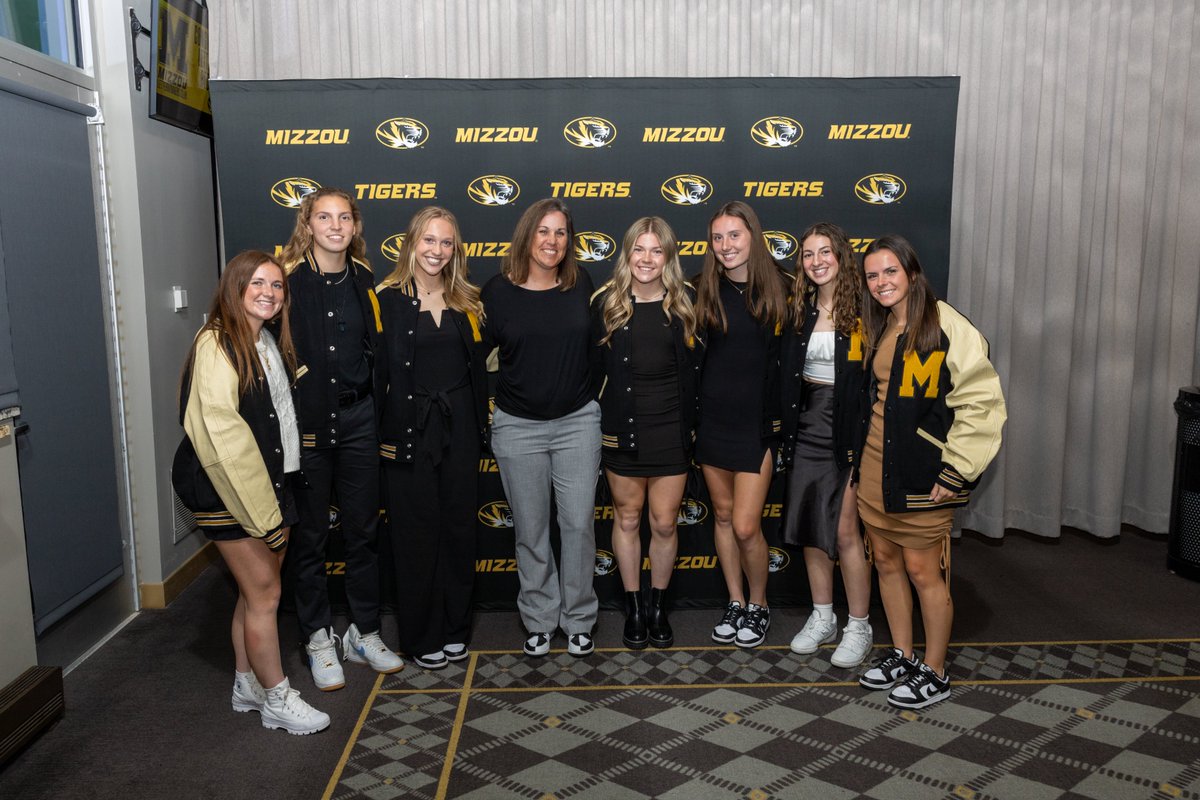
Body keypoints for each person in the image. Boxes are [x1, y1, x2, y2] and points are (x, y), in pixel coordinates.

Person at [173, 250, 329, 735]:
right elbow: (224, 437)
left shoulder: (263, 340)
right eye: (257, 283)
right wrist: (267, 517)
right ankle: (278, 698)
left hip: (269, 485)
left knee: (252, 591)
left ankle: (247, 683)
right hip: (228, 491)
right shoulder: (217, 343)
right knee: (266, 594)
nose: (268, 293)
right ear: (234, 287)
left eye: (277, 286)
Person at [856, 235, 1005, 709]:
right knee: (886, 563)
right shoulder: (880, 325)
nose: (881, 282)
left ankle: (935, 670)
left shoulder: (945, 324)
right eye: (873, 275)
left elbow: (981, 402)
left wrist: (956, 470)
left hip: (923, 475)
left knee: (924, 571)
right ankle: (903, 654)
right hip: (876, 470)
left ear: (912, 274)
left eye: (890, 272)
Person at [280, 188, 403, 690]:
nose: (335, 225)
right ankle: (316, 637)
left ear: (355, 226)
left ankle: (364, 632)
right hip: (308, 425)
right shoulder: (287, 283)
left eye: (344, 217)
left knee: (362, 534)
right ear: (307, 224)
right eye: (324, 217)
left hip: (358, 422)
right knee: (309, 538)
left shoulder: (366, 280)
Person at [482, 198, 601, 658]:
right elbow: (479, 358)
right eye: (544, 232)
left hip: (577, 424)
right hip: (517, 428)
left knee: (577, 525)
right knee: (530, 530)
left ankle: (578, 619)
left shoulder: (579, 284)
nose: (552, 241)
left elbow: (595, 354)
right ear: (527, 235)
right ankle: (537, 619)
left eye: (561, 233)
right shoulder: (496, 292)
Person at [375, 207, 489, 670]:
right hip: (410, 429)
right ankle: (421, 635)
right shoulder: (384, 298)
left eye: (445, 243)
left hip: (460, 427)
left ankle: (456, 628)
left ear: (455, 249)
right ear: (411, 243)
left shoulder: (469, 301)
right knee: (416, 533)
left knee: (460, 530)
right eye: (428, 241)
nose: (436, 251)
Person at [590, 217, 701, 649]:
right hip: (623, 431)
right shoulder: (608, 304)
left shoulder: (687, 304)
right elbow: (589, 372)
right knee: (629, 518)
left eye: (657, 251)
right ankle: (633, 606)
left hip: (672, 431)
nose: (647, 259)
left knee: (664, 524)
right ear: (627, 254)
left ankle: (659, 605)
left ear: (668, 257)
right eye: (640, 249)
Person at [693, 201, 789, 648]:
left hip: (757, 428)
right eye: (718, 237)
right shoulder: (702, 290)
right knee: (726, 516)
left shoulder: (783, 290)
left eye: (734, 235)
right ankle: (735, 601)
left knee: (748, 525)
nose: (726, 245)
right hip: (712, 421)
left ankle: (759, 604)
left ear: (753, 234)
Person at [780, 222, 874, 667]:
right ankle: (823, 617)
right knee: (812, 527)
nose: (816, 262)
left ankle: (859, 624)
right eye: (807, 254)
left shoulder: (868, 314)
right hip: (807, 426)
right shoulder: (798, 311)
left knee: (843, 529)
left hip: (850, 430)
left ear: (842, 257)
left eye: (825, 253)